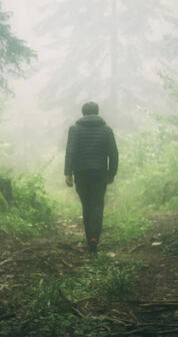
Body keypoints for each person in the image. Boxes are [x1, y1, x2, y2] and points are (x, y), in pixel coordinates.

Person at [64, 101, 119, 252]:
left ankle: (90, 239)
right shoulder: (106, 130)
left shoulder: (75, 129)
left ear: (83, 113)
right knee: (97, 204)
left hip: (81, 172)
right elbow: (113, 154)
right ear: (97, 112)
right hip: (100, 172)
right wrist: (111, 173)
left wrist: (68, 173)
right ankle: (94, 238)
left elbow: (70, 151)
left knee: (86, 204)